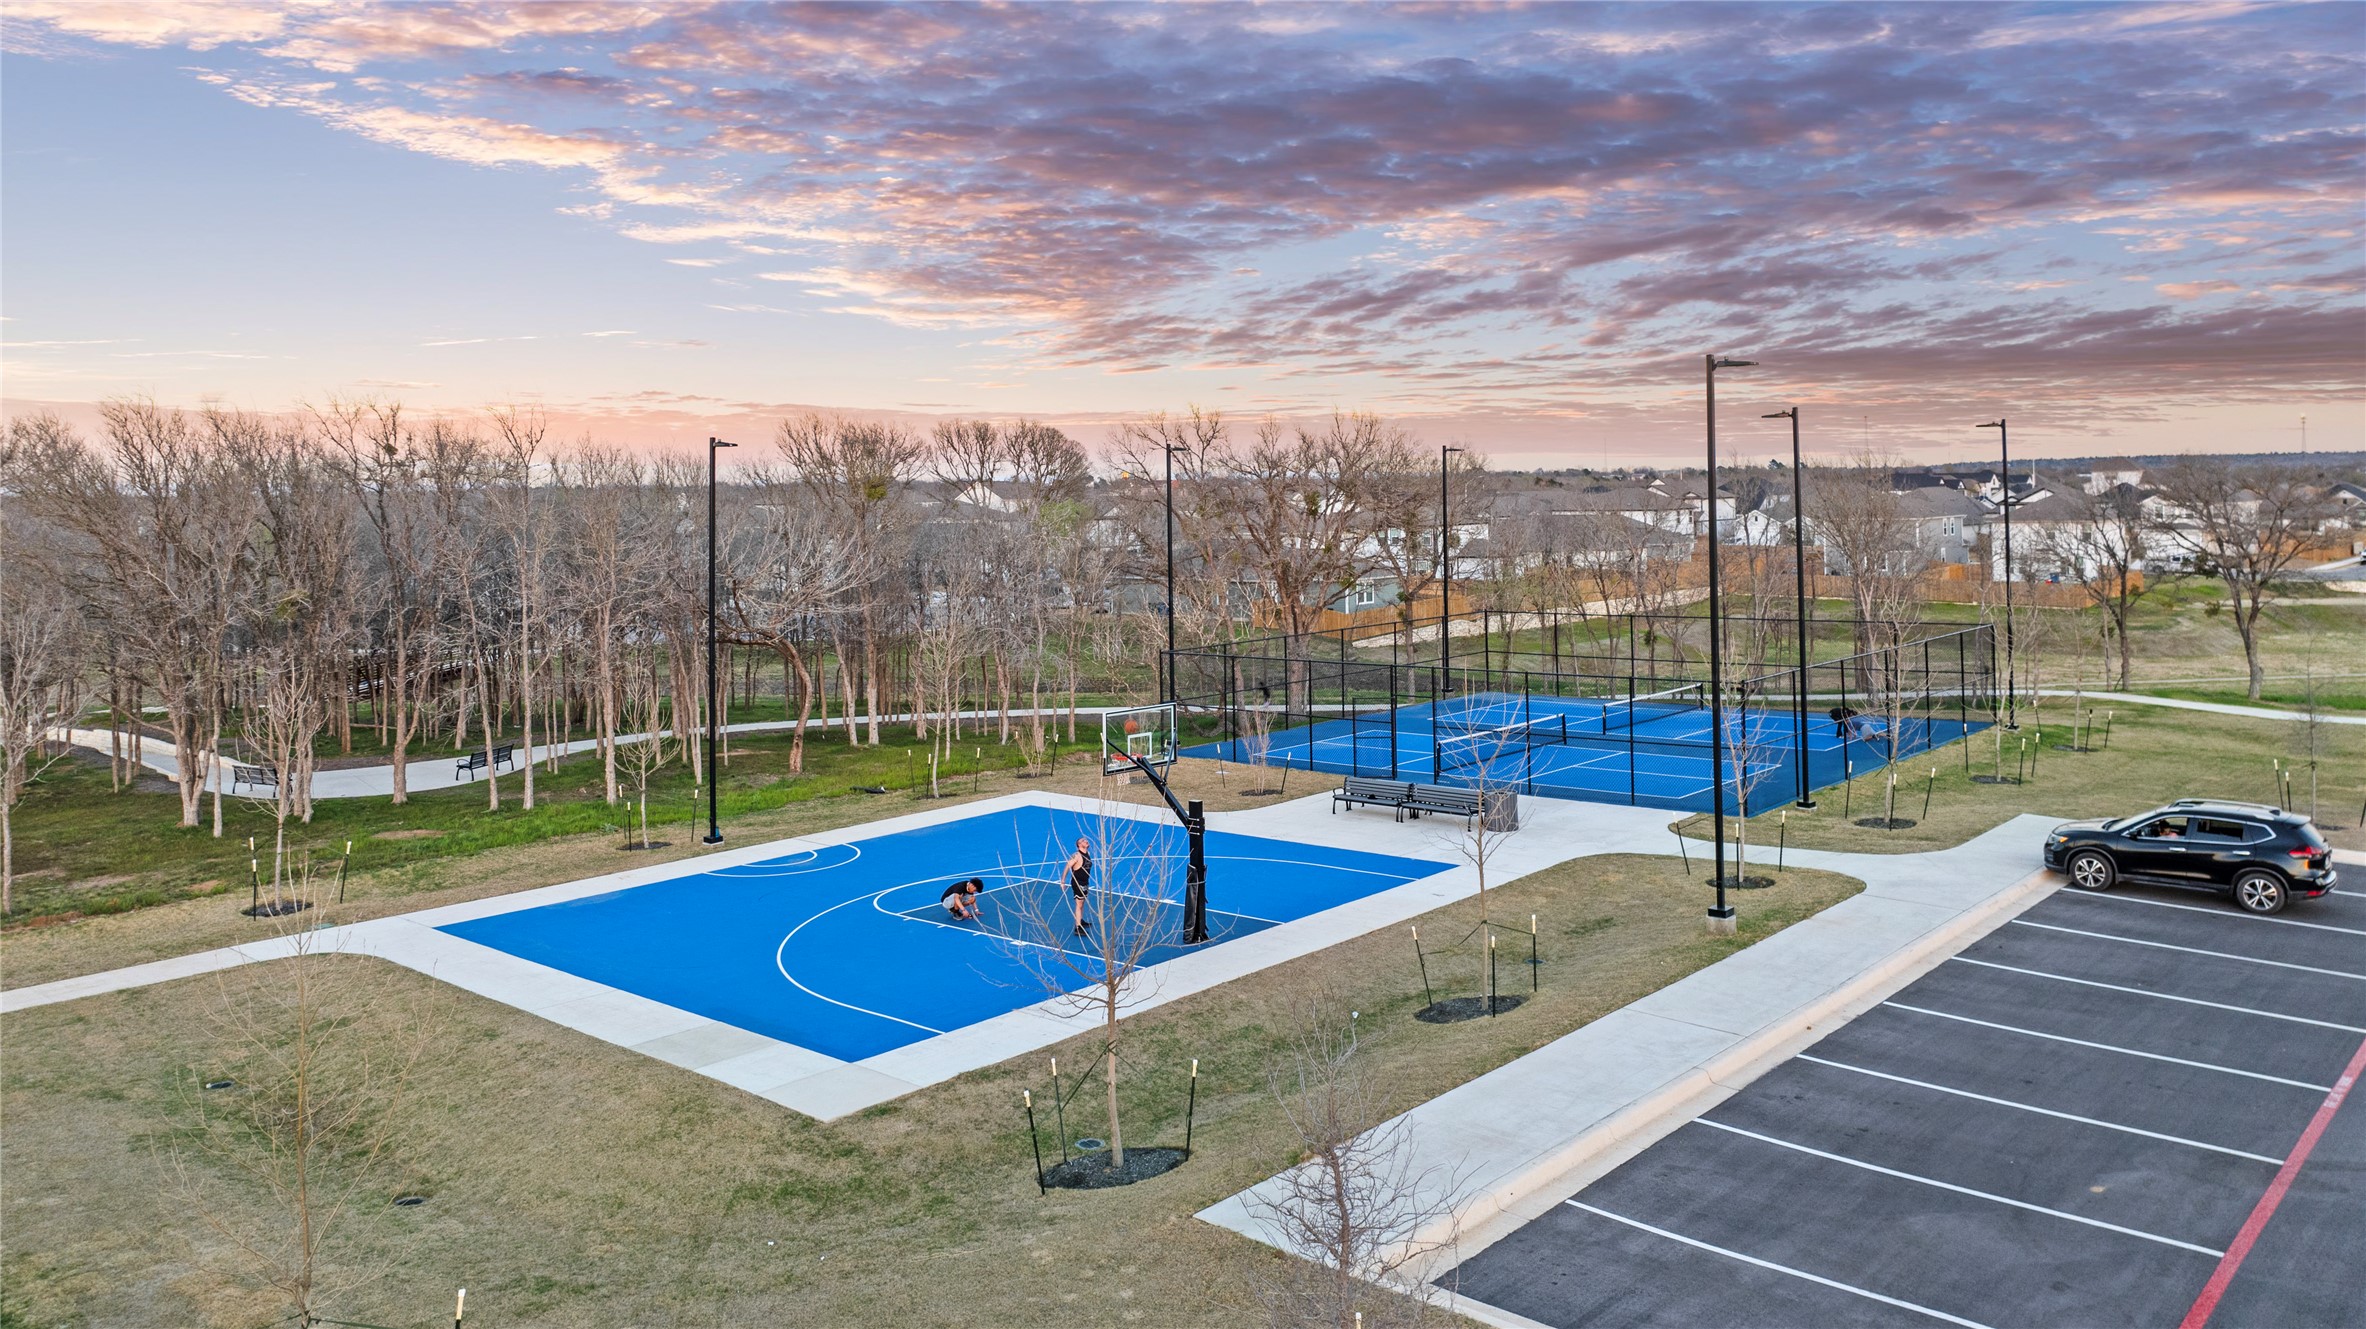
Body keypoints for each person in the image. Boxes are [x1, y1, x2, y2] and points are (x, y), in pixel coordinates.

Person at [1065, 837, 1093, 937]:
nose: (1086, 841)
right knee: (1079, 904)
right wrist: (1062, 881)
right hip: (1078, 882)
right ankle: (1078, 927)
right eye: (1083, 841)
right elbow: (1067, 866)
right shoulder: (1076, 856)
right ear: (1079, 845)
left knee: (1082, 903)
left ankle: (1080, 920)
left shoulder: (1088, 854)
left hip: (1085, 882)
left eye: (1086, 840)